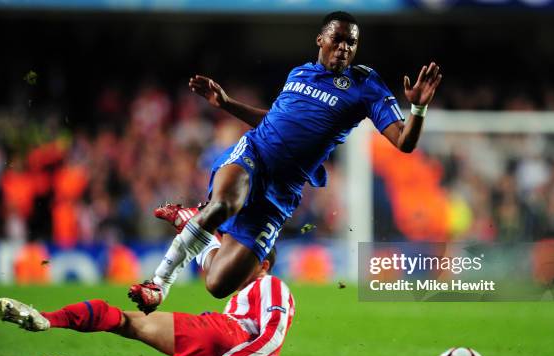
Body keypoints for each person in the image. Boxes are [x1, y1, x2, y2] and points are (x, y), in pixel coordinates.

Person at [130, 10, 442, 312]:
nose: (344, 47)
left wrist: (417, 109)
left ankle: (189, 221)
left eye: (352, 43)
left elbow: (404, 142)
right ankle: (159, 283)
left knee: (218, 283)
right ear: (321, 39)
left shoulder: (365, 86)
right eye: (339, 39)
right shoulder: (299, 73)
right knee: (225, 204)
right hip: (254, 154)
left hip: (282, 192)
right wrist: (226, 104)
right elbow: (275, 120)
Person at [0, 243, 294, 356]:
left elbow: (273, 335)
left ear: (264, 264)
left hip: (227, 342)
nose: (235, 262)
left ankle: (46, 318)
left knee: (128, 322)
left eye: (244, 259)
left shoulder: (270, 284)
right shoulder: (244, 289)